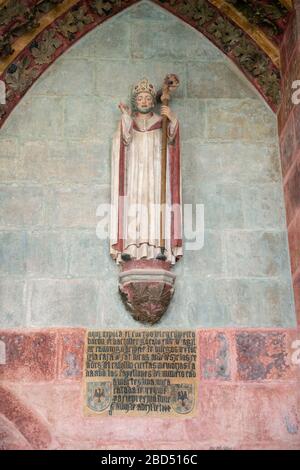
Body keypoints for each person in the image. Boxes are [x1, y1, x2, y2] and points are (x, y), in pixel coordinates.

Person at [110, 77, 182, 264]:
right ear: (136, 101)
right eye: (140, 98)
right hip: (135, 172)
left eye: (148, 98)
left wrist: (172, 119)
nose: (144, 101)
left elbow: (172, 140)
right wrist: (126, 118)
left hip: (157, 172)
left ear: (152, 102)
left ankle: (161, 248)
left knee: (157, 205)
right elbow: (123, 140)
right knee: (135, 204)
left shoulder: (161, 122)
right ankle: (131, 248)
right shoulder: (130, 121)